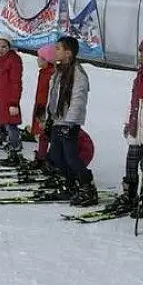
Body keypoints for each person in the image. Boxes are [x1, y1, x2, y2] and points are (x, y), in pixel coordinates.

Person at [111, 34, 143, 214]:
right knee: (131, 162)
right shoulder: (141, 73)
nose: (141, 56)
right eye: (140, 52)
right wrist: (128, 122)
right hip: (135, 128)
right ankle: (130, 193)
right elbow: (134, 101)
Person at [45, 36, 95, 206]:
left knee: (71, 157)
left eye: (58, 48)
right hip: (58, 120)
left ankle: (87, 186)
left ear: (69, 53)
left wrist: (70, 122)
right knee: (57, 157)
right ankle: (70, 184)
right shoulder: (59, 72)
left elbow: (78, 99)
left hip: (69, 123)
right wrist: (49, 118)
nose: (55, 51)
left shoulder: (77, 73)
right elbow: (53, 97)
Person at [30, 43, 57, 164]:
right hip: (40, 104)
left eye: (40, 58)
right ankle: (43, 155)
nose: (37, 60)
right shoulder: (44, 72)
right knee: (42, 132)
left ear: (46, 60)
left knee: (43, 133)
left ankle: (43, 157)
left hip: (45, 107)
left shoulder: (51, 74)